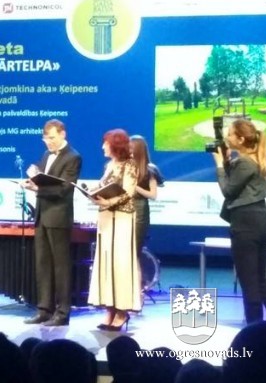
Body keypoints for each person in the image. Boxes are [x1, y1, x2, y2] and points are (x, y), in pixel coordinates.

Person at [213, 118, 266, 323]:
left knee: (249, 282)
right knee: (259, 279)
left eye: (231, 134)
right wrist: (226, 160)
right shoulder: (253, 159)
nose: (227, 138)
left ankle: (254, 328)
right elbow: (236, 183)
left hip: (247, 224)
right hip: (259, 221)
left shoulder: (245, 162)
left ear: (241, 139)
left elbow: (229, 190)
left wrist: (219, 165)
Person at [22, 119, 82, 327]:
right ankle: (44, 309)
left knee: (60, 267)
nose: (48, 142)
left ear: (63, 134)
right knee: (43, 265)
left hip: (58, 217)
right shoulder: (46, 155)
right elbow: (43, 180)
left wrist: (37, 189)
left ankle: (62, 312)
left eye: (52, 138)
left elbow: (64, 189)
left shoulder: (73, 157)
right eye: (45, 138)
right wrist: (32, 180)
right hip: (42, 215)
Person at [88, 128, 141, 330]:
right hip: (106, 218)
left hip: (122, 218)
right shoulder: (110, 165)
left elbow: (128, 192)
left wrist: (109, 201)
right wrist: (92, 193)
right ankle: (109, 308)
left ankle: (122, 310)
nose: (103, 146)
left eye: (106, 143)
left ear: (115, 145)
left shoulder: (130, 165)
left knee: (120, 263)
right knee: (106, 263)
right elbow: (103, 185)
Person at [129, 134, 163, 253]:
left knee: (134, 249)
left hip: (139, 211)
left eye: (130, 148)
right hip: (124, 209)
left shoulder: (150, 169)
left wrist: (135, 186)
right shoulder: (125, 167)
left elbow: (153, 195)